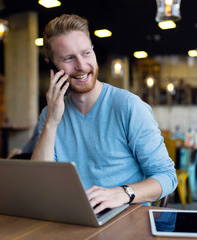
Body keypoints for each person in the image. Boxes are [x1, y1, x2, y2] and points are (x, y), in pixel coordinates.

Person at [31, 14, 177, 214]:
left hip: (127, 223)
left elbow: (167, 177)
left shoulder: (129, 106)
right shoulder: (49, 115)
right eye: (68, 58)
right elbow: (40, 185)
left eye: (86, 53)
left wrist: (122, 193)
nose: (82, 66)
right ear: (52, 66)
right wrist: (51, 122)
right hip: (74, 219)